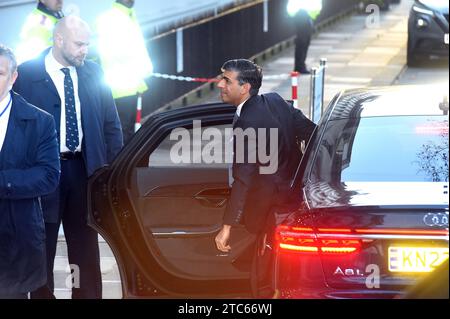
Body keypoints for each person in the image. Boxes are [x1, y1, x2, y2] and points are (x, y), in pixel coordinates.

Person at [13, 16, 123, 299]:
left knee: (85, 247)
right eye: (79, 44)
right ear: (58, 40)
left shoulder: (93, 72)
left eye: (87, 44)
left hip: (83, 171)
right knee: (42, 245)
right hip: (42, 174)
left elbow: (111, 124)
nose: (84, 50)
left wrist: (111, 171)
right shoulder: (25, 75)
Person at [214, 59, 316, 297]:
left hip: (267, 210)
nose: (220, 84)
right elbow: (313, 133)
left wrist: (227, 226)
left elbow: (243, 178)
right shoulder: (276, 101)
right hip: (291, 200)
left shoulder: (248, 123)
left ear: (245, 87)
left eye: (227, 80)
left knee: (264, 274)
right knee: (277, 269)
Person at [0, 44, 60, 299]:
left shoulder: (40, 121)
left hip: (15, 236)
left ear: (13, 78)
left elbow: (48, 175)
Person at [96, 0, 153, 145]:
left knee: (128, 131)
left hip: (130, 84)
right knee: (122, 133)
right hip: (120, 86)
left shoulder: (127, 14)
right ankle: (122, 166)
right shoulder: (113, 18)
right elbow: (118, 51)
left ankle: (126, 164)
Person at [287, 0, 322, 74]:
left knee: (304, 43)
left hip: (305, 17)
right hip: (301, 16)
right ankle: (300, 67)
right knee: (302, 43)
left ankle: (300, 66)